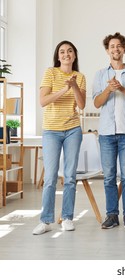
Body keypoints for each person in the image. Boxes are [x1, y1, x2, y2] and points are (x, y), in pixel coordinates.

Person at [33, 40, 86, 235]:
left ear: (74, 55)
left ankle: (67, 217)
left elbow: (81, 106)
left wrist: (74, 86)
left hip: (73, 129)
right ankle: (46, 220)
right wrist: (65, 88)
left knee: (70, 176)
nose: (66, 54)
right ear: (58, 56)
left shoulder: (80, 77)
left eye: (69, 51)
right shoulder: (50, 72)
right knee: (50, 177)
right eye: (62, 52)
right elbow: (43, 101)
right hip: (51, 131)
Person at [93, 32, 125, 229]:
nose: (116, 49)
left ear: (124, 49)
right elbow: (97, 103)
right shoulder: (100, 75)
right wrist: (108, 90)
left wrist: (122, 89)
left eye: (119, 46)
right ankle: (112, 215)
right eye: (112, 46)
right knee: (108, 177)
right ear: (108, 50)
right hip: (106, 134)